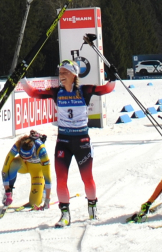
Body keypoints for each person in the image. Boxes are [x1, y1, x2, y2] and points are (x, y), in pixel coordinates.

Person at [21, 58, 116, 227]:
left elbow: (107, 89)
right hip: (63, 142)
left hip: (82, 142)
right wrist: (22, 78)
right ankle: (65, 215)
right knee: (61, 180)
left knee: (87, 178)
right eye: (60, 73)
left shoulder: (84, 90)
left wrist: (114, 78)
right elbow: (33, 93)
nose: (61, 76)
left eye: (65, 73)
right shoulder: (56, 92)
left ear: (74, 75)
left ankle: (92, 205)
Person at [1, 130, 51, 210]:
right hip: (23, 166)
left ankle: (43, 190)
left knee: (34, 203)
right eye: (23, 156)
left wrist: (47, 200)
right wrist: (7, 190)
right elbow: (5, 169)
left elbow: (47, 176)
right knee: (13, 164)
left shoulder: (41, 150)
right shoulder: (18, 144)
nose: (25, 159)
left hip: (37, 169)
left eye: (28, 157)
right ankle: (10, 191)